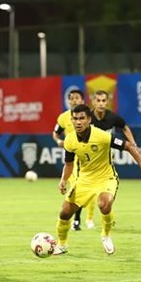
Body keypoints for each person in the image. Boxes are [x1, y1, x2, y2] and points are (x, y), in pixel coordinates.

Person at [54, 104, 141, 255]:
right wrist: (63, 180)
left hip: (106, 177)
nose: (78, 122)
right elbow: (68, 164)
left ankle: (106, 235)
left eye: (82, 118)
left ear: (89, 120)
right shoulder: (69, 140)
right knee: (65, 213)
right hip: (85, 180)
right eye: (75, 119)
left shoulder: (101, 136)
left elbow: (129, 147)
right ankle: (62, 245)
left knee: (104, 204)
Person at [76, 89, 138, 229]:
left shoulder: (112, 117)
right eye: (98, 100)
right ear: (93, 101)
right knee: (84, 189)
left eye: (104, 100)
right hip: (88, 159)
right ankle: (83, 219)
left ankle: (101, 217)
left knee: (104, 192)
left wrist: (133, 144)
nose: (101, 103)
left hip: (106, 159)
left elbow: (125, 127)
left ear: (108, 102)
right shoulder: (88, 117)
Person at [52, 89, 84, 230]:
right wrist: (59, 141)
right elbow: (55, 133)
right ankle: (75, 219)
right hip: (72, 157)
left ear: (82, 100)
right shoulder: (63, 117)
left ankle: (76, 218)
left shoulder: (88, 116)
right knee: (77, 185)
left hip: (86, 155)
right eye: (71, 98)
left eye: (77, 98)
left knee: (82, 188)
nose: (74, 100)